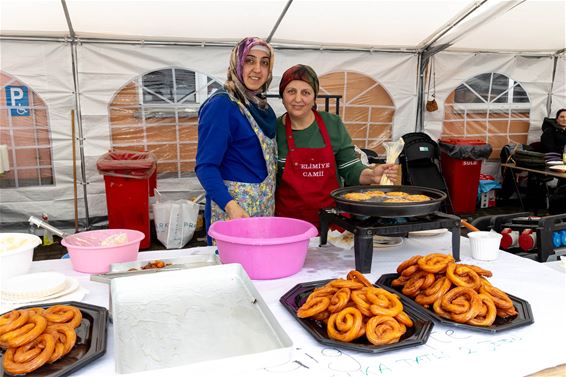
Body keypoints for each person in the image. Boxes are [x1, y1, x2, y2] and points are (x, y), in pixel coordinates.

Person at [275, 64, 398, 228]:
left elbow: (349, 167)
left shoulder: (332, 124)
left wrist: (372, 176)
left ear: (314, 97)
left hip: (332, 222)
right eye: (291, 92)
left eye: (305, 92)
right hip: (289, 224)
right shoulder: (273, 130)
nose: (298, 99)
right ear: (282, 96)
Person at [195, 37, 277, 234]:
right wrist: (230, 206)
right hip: (232, 213)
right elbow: (206, 167)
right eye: (249, 60)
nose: (257, 69)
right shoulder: (223, 105)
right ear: (237, 63)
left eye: (264, 62)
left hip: (264, 208)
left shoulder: (264, 108)